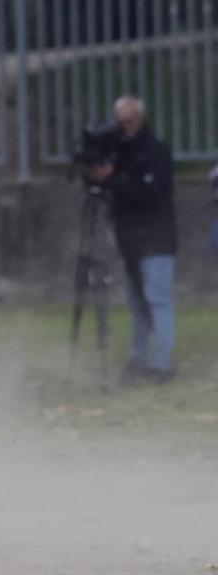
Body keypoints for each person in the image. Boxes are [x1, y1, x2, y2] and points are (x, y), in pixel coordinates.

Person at [88, 95, 176, 382]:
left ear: (139, 118)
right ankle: (138, 359)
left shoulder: (156, 151)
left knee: (157, 298)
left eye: (129, 119)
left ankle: (161, 364)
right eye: (120, 119)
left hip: (157, 237)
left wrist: (112, 178)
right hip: (129, 238)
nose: (124, 125)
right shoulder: (117, 151)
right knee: (137, 301)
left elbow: (149, 194)